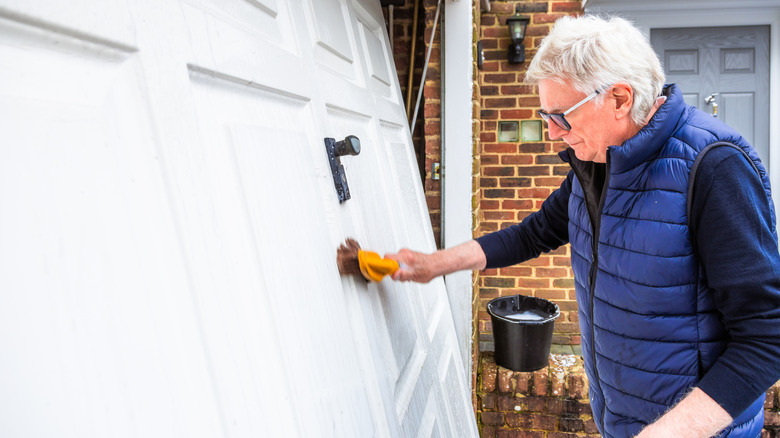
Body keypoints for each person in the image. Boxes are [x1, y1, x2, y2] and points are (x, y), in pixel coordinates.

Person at [386, 15, 780, 438]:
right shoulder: (595, 164)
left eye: (562, 116)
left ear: (619, 99)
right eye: (545, 115)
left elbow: (766, 339)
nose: (553, 133)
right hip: (620, 420)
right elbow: (534, 233)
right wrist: (435, 263)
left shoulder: (715, 167)